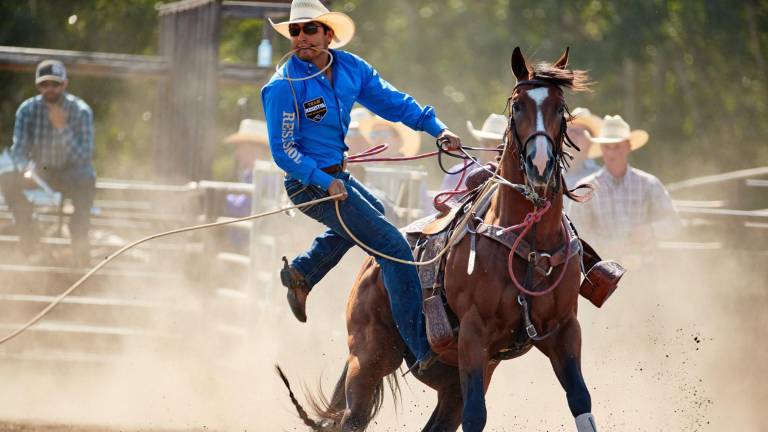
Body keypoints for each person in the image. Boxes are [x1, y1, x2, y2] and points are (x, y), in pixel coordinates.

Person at [261, 0, 462, 370]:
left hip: (337, 178)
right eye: (295, 30)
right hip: (309, 185)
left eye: (309, 29)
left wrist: (438, 129)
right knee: (394, 248)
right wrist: (324, 181)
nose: (301, 37)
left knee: (379, 215)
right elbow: (284, 151)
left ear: (328, 34)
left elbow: (392, 102)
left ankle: (304, 272)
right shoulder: (282, 87)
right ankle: (423, 352)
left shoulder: (351, 69)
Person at [0, 60, 95, 266]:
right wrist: (25, 165)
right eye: (44, 84)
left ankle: (80, 244)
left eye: (55, 84)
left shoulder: (80, 110)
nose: (49, 89)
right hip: (40, 171)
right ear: (38, 86)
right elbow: (19, 150)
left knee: (87, 178)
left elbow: (84, 155)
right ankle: (29, 233)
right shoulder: (27, 110)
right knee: (7, 179)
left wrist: (62, 128)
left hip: (71, 171)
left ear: (64, 84)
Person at [568, 115, 680, 269]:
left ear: (628, 146)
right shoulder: (586, 188)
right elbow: (577, 235)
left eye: (617, 146)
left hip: (645, 268)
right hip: (603, 271)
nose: (611, 152)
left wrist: (651, 230)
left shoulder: (648, 184)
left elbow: (674, 222)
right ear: (601, 149)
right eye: (607, 147)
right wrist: (612, 246)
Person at [440, 113, 506, 191]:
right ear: (480, 143)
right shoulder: (456, 174)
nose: (492, 149)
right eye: (487, 143)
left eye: (498, 145)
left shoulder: (515, 180)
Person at [564, 107, 602, 188]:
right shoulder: (549, 173)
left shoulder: (600, 179)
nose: (572, 135)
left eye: (578, 132)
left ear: (589, 142)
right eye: (570, 130)